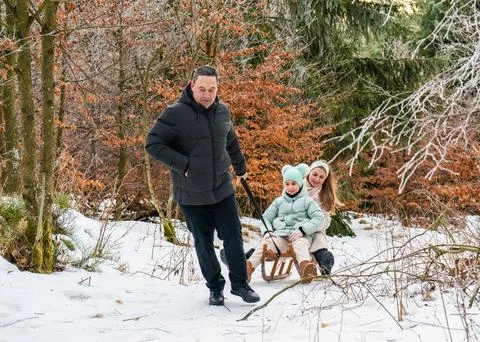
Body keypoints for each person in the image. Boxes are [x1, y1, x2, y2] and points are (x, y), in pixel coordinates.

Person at [145, 65, 260, 306]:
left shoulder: (222, 111)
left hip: (221, 187)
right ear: (191, 86)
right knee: (204, 243)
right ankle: (215, 288)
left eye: (212, 89)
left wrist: (241, 168)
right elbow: (153, 144)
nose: (207, 95)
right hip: (191, 193)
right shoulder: (174, 114)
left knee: (233, 236)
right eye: (202, 89)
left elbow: (231, 140)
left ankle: (240, 284)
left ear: (217, 89)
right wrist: (184, 165)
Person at [246, 163, 326, 284]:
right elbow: (266, 218)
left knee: (300, 245)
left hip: (300, 236)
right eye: (287, 184)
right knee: (265, 244)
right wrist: (267, 231)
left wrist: (302, 230)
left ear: (300, 184)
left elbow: (318, 217)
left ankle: (306, 269)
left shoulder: (307, 201)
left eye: (294, 184)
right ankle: (247, 269)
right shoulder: (278, 202)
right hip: (281, 237)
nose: (290, 187)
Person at [305, 160, 343, 275]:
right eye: (314, 174)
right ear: (309, 172)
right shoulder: (296, 187)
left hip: (315, 228)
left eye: (321, 177)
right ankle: (251, 255)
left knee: (319, 238)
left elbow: (326, 221)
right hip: (295, 225)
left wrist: (312, 227)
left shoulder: (324, 195)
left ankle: (324, 261)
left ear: (325, 179)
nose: (317, 179)